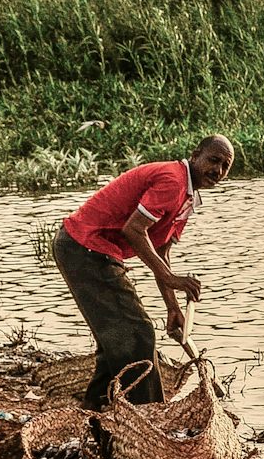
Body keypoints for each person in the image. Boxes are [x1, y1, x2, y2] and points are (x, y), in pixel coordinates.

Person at [53, 136, 235, 408]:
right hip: (85, 247)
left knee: (116, 339)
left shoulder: (188, 198)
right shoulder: (173, 181)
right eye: (213, 160)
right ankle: (150, 417)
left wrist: (172, 307)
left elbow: (162, 252)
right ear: (195, 155)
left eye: (225, 166)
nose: (218, 171)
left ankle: (94, 412)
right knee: (139, 334)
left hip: (93, 250)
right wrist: (171, 279)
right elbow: (133, 229)